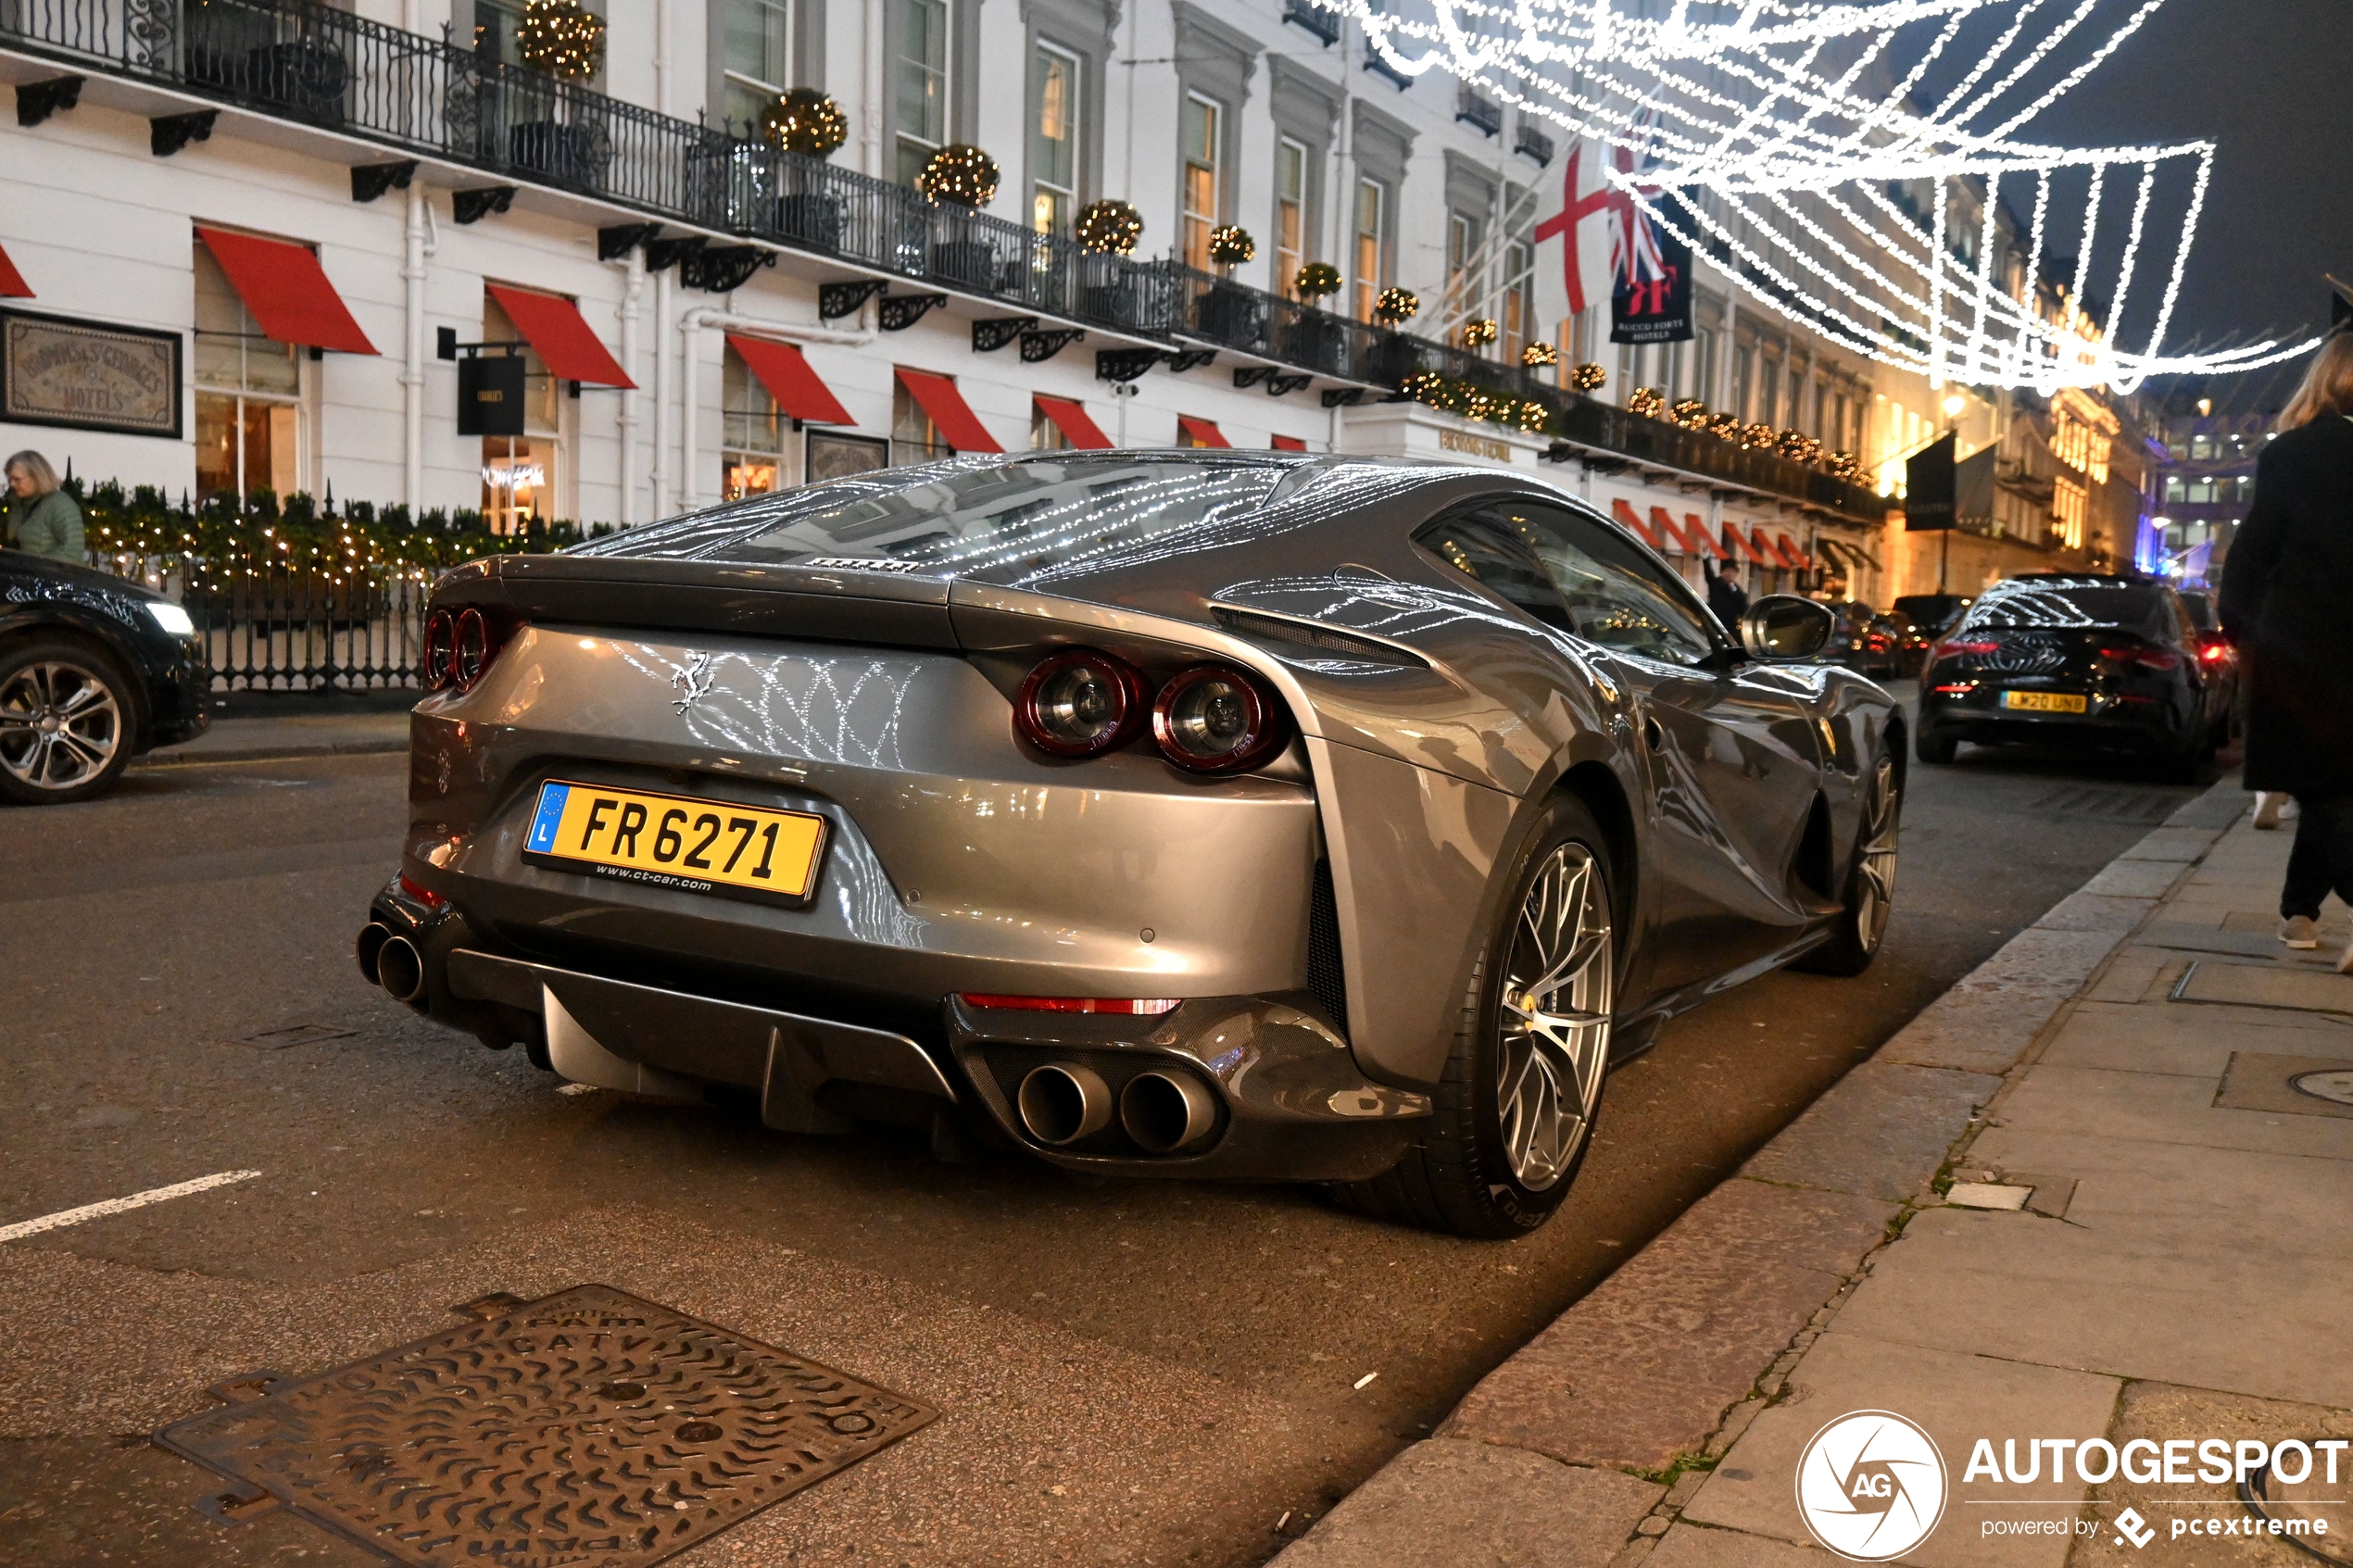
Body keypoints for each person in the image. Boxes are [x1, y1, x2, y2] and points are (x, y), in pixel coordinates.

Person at [2216, 332, 2353, 964]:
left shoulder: (2291, 455)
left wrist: (2241, 634)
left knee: (2321, 786)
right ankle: (2299, 910)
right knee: (2333, 788)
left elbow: (2252, 555)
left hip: (2302, 648)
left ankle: (2302, 911)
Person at [3, 450, 85, 563]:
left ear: (37, 477)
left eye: (17, 479)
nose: (12, 484)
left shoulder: (60, 505)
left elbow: (72, 551)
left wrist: (34, 565)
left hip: (52, 577)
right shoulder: (17, 505)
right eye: (9, 479)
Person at [1705, 557, 1749, 630]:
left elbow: (1744, 608)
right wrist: (1705, 559)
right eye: (1728, 570)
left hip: (1731, 629)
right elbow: (1709, 573)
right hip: (1714, 625)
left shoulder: (1738, 591)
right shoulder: (1716, 584)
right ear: (1722, 572)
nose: (1730, 573)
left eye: (1733, 571)